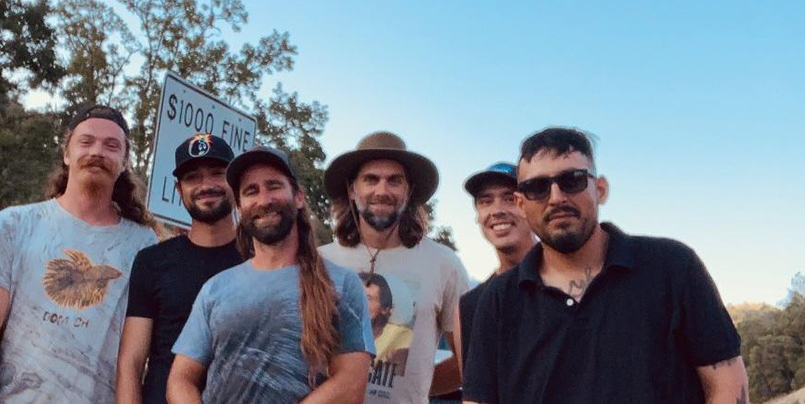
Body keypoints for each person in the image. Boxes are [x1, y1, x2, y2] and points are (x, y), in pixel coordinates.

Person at [463, 127, 749, 404]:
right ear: (523, 204)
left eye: (572, 180)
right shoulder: (498, 300)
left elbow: (727, 381)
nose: (556, 197)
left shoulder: (672, 267)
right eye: (537, 188)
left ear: (600, 189)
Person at [0, 104, 158, 404]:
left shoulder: (143, 245)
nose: (97, 151)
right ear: (67, 153)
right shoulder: (14, 225)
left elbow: (134, 357)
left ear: (123, 162)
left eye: (111, 146)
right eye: (86, 141)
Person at [168, 145, 374, 403]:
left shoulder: (341, 283)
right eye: (251, 191)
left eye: (274, 186)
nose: (264, 200)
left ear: (298, 197)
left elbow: (351, 383)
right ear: (240, 208)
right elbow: (181, 379)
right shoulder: (215, 288)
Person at [320, 131, 470, 403]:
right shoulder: (319, 262)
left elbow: (466, 360)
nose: (382, 191)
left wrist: (417, 387)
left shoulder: (443, 264)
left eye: (394, 181)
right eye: (371, 180)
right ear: (352, 190)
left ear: (408, 191)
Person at [115, 133, 243, 404]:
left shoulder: (262, 258)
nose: (205, 185)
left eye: (217, 173)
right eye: (192, 177)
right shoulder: (151, 262)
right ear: (178, 190)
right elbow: (131, 361)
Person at [452, 162, 536, 376]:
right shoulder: (471, 306)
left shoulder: (573, 284)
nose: (497, 211)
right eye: (485, 201)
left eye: (510, 199)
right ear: (478, 216)